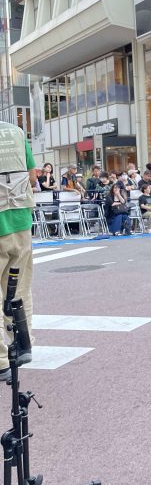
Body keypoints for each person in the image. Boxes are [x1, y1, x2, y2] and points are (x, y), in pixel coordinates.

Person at [0, 122, 37, 382]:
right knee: (20, 288)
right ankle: (23, 345)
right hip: (20, 219)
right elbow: (32, 176)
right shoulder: (15, 131)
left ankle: (1, 361)